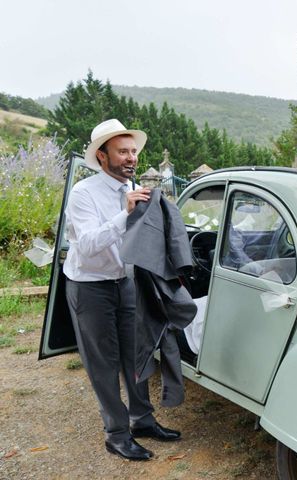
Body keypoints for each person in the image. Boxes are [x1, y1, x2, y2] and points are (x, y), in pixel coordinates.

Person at [63, 119, 181, 462]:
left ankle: (141, 419)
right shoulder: (84, 193)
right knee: (103, 363)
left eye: (133, 151)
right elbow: (85, 246)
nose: (131, 158)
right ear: (102, 156)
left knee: (136, 354)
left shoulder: (133, 188)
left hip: (125, 283)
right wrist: (124, 215)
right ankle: (116, 433)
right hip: (90, 288)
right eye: (122, 152)